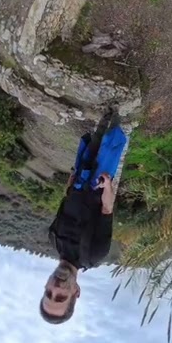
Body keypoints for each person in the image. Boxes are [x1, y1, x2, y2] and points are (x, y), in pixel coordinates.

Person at [39, 110, 122, 324]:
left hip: (80, 177)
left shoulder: (53, 239)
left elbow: (65, 204)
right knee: (114, 136)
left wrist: (71, 182)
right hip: (99, 181)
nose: (56, 288)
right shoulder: (95, 254)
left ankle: (108, 111)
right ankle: (122, 111)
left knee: (96, 137)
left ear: (46, 285)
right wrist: (107, 186)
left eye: (48, 293)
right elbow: (107, 210)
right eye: (61, 297)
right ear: (76, 292)